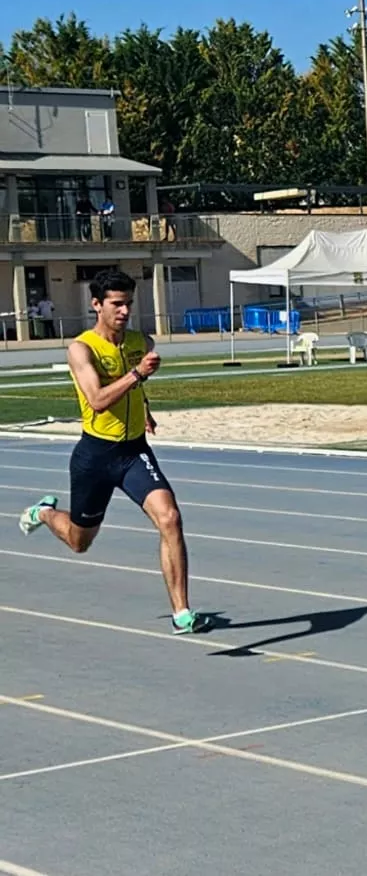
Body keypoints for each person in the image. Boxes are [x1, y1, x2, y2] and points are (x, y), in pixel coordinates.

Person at [18, 269, 209, 634]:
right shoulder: (81, 348)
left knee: (169, 518)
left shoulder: (141, 341)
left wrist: (145, 407)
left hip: (134, 451)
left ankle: (181, 611)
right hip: (95, 456)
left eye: (129, 304)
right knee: (79, 541)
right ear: (96, 305)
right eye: (116, 304)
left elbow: (134, 386)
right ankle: (44, 513)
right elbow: (98, 400)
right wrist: (138, 375)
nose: (124, 311)